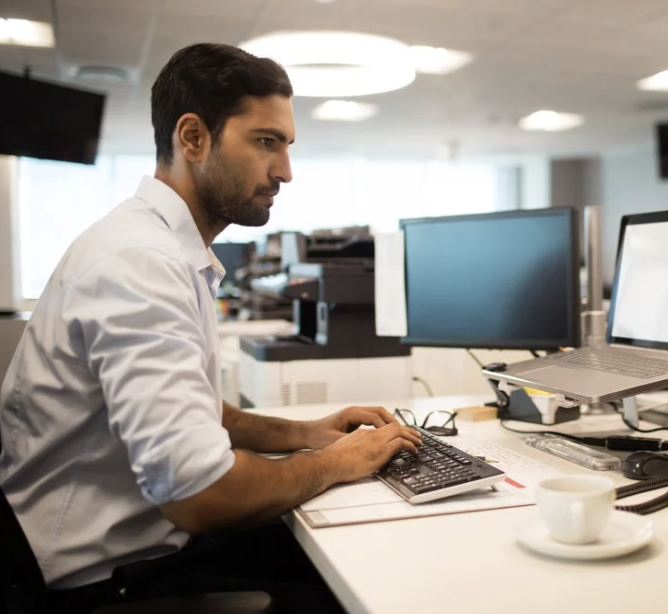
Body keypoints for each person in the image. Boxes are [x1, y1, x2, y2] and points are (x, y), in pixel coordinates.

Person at [0, 42, 421, 613]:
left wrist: (307, 434)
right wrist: (335, 462)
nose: (286, 171)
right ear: (193, 138)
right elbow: (199, 493)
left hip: (141, 547)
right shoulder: (139, 262)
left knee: (353, 551)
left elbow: (194, 412)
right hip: (101, 582)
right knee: (354, 592)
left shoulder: (163, 249)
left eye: (287, 146)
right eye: (266, 142)